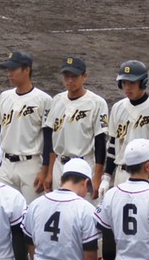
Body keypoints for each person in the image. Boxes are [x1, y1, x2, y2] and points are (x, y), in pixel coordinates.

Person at [0, 50, 52, 202]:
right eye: (8, 70)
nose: (9, 74)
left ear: (27, 70)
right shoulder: (5, 96)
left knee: (32, 215)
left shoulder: (43, 99)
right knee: (5, 213)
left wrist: (44, 170)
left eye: (13, 69)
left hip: (30, 166)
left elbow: (49, 139)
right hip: (5, 165)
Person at [104, 60, 149, 193]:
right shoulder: (117, 108)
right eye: (124, 83)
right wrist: (106, 177)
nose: (127, 87)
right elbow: (113, 145)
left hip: (147, 176)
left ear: (143, 83)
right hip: (121, 175)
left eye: (132, 83)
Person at [45, 56, 109, 185]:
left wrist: (97, 177)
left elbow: (100, 142)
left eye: (74, 76)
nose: (70, 80)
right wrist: (49, 173)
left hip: (84, 166)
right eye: (66, 76)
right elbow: (52, 140)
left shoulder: (97, 103)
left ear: (84, 76)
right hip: (59, 166)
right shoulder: (57, 100)